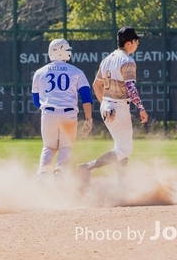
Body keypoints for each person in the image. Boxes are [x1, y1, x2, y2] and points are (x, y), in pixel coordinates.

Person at [77, 26, 148, 185]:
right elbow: (130, 88)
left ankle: (120, 183)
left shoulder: (107, 59)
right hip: (118, 106)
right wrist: (141, 108)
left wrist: (106, 106)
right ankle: (87, 167)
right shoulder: (127, 61)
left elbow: (96, 85)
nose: (138, 44)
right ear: (128, 43)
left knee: (121, 147)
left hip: (108, 105)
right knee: (124, 149)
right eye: (136, 40)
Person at [31, 38, 94, 180]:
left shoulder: (39, 72)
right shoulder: (77, 72)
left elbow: (36, 101)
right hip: (68, 114)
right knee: (66, 147)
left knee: (48, 147)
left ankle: (42, 176)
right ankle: (59, 174)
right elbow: (86, 98)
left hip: (48, 113)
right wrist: (88, 119)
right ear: (62, 52)